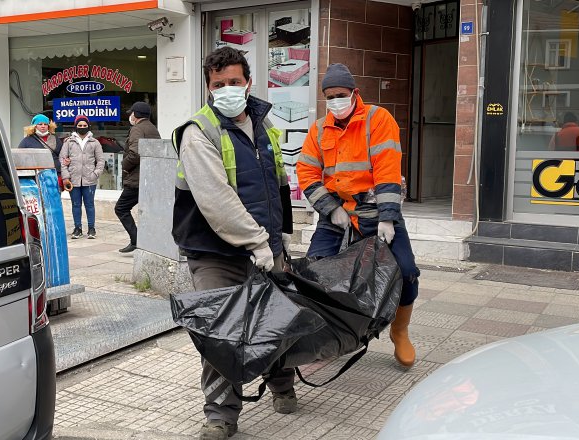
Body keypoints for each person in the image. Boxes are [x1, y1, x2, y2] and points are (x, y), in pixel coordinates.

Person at [172, 47, 294, 440]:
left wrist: (279, 239)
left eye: (234, 83)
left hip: (265, 247)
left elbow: (278, 185)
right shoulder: (199, 132)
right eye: (218, 84)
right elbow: (216, 200)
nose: (227, 89)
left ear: (248, 83)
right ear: (208, 87)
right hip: (215, 254)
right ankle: (221, 416)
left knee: (276, 319)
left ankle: (282, 383)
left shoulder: (264, 127)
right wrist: (257, 241)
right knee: (221, 333)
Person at [296, 63, 421, 370]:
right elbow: (306, 172)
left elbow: (388, 170)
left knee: (405, 271)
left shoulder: (377, 120)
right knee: (315, 274)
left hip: (377, 212)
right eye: (330, 96)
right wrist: (331, 209)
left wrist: (388, 217)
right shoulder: (319, 129)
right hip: (337, 213)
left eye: (341, 94)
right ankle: (329, 336)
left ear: (354, 93)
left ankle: (399, 331)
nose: (336, 101)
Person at [115, 101, 161, 253]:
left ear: (135, 115)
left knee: (121, 208)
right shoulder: (153, 128)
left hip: (136, 179)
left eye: (131, 113)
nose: (130, 116)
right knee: (148, 211)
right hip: (151, 177)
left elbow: (135, 153)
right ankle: (149, 241)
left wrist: (124, 166)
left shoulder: (137, 129)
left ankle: (136, 240)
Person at [60, 114, 104, 239]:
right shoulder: (69, 142)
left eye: (85, 125)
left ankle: (91, 228)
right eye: (80, 125)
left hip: (90, 179)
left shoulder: (94, 142)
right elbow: (63, 160)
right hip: (73, 179)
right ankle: (77, 228)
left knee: (89, 204)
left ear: (88, 126)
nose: (82, 127)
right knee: (75, 204)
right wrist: (66, 177)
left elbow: (100, 160)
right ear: (76, 126)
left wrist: (96, 174)